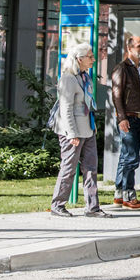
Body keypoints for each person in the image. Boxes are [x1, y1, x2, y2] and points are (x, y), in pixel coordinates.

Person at [50, 45, 113, 218]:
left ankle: (92, 207)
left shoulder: (85, 77)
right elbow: (66, 108)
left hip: (88, 130)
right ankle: (58, 205)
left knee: (91, 168)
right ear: (79, 59)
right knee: (68, 168)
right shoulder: (68, 79)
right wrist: (72, 134)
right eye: (90, 56)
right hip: (72, 132)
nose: (94, 59)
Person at [109, 34, 140, 209]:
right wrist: (122, 118)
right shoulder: (122, 68)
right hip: (128, 118)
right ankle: (128, 194)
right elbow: (116, 95)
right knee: (131, 157)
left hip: (139, 118)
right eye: (139, 46)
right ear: (129, 48)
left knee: (126, 156)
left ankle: (119, 193)